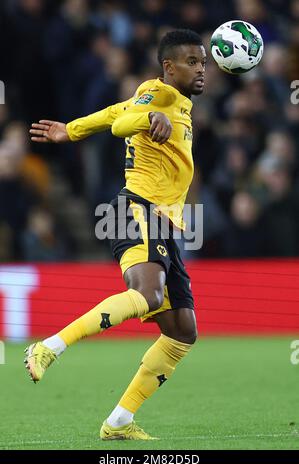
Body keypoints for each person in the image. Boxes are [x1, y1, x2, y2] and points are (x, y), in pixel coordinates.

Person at [25, 29, 206, 440]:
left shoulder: (177, 104)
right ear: (168, 67)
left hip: (163, 221)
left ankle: (119, 421)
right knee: (149, 294)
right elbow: (125, 122)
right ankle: (50, 346)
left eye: (203, 63)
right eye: (192, 62)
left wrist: (69, 131)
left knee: (182, 331)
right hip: (136, 209)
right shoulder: (156, 94)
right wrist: (149, 117)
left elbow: (111, 112)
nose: (201, 70)